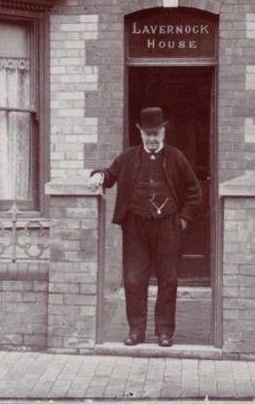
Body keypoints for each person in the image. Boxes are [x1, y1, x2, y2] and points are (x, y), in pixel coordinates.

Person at [87, 106, 202, 347]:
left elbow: (194, 192)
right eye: (147, 134)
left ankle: (164, 332)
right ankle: (136, 331)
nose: (151, 138)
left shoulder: (176, 157)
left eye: (155, 133)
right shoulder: (128, 157)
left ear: (163, 132)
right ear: (140, 133)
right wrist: (98, 175)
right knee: (132, 279)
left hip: (168, 226)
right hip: (135, 227)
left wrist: (182, 220)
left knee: (168, 279)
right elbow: (110, 174)